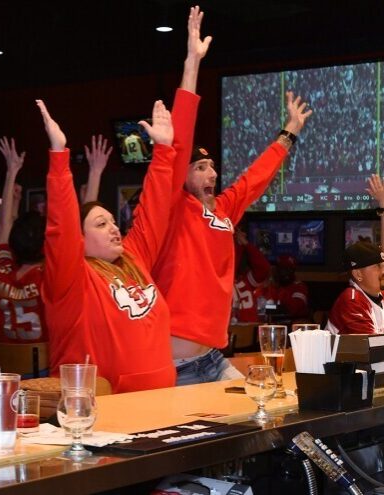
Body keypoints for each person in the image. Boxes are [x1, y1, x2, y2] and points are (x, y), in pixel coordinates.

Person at [151, 6, 313, 384]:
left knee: (266, 418)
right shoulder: (173, 208)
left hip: (213, 359)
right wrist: (192, 63)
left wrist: (289, 131)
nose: (212, 173)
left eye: (212, 167)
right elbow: (179, 141)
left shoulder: (222, 210)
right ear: (182, 176)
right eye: (200, 168)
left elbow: (254, 178)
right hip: (178, 369)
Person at [37, 97, 177, 393]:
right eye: (101, 224)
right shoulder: (72, 282)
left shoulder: (133, 258)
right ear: (80, 241)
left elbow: (154, 210)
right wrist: (59, 156)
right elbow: (61, 228)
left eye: (113, 221)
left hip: (161, 404)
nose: (114, 228)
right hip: (102, 414)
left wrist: (164, 151)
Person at [0, 137, 48, 345]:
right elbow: (7, 226)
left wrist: (11, 172)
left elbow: (4, 225)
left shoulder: (1, 271)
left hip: (9, 367)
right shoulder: (48, 278)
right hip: (43, 369)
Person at [232, 225, 272, 323]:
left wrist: (246, 244)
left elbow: (263, 268)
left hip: (249, 334)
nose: (244, 235)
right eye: (238, 233)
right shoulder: (215, 280)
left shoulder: (245, 279)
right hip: (226, 334)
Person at [262, 255, 310, 320]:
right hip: (272, 323)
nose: (284, 272)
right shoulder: (270, 286)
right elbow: (262, 308)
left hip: (295, 325)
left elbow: (293, 310)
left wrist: (279, 289)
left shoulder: (300, 287)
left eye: (288, 269)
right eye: (282, 269)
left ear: (293, 271)